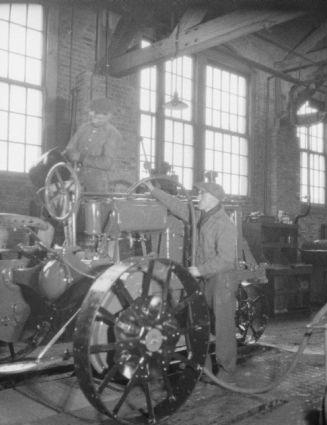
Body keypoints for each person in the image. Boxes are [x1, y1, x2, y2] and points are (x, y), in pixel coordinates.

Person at [144, 180, 239, 379]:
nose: (198, 197)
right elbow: (177, 206)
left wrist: (200, 270)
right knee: (195, 321)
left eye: (202, 194)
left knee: (223, 325)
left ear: (212, 199)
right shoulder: (199, 217)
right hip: (203, 276)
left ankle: (226, 369)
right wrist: (154, 190)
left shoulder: (225, 224)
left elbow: (227, 259)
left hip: (221, 279)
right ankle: (200, 366)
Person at [63, 97, 122, 193]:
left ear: (109, 116)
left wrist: (82, 158)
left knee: (95, 207)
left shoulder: (113, 134)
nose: (94, 121)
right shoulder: (84, 128)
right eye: (92, 117)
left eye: (99, 118)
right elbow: (70, 146)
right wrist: (69, 152)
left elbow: (107, 163)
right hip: (76, 177)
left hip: (99, 183)